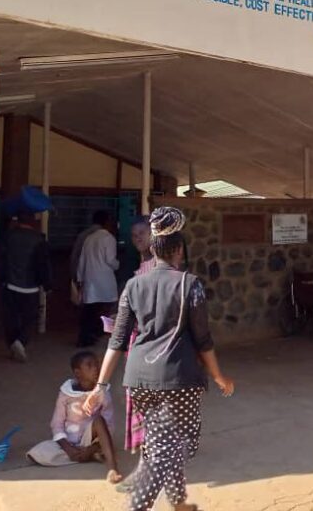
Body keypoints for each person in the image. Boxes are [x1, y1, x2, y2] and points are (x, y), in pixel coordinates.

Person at [85, 207, 234, 511]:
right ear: (179, 250)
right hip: (179, 381)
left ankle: (178, 502)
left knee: (161, 442)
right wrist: (219, 376)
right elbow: (203, 340)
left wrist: (101, 385)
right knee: (172, 448)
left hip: (138, 380)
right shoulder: (190, 285)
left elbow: (116, 340)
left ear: (153, 248)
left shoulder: (133, 285)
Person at [26, 351, 122, 484]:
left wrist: (91, 447)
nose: (96, 368)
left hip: (92, 439)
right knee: (36, 453)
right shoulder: (66, 393)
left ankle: (112, 468)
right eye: (89, 365)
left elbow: (109, 424)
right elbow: (57, 424)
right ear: (78, 373)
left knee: (99, 421)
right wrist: (68, 449)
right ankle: (86, 455)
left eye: (96, 365)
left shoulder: (102, 392)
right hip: (68, 442)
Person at [0, 210, 51, 362]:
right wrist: (47, 284)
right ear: (33, 222)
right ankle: (21, 341)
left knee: (10, 317)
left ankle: (12, 342)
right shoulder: (39, 240)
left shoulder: (8, 237)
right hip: (31, 287)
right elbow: (43, 265)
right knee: (28, 318)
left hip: (10, 284)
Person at [122, 218, 155, 456]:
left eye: (143, 233)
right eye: (134, 235)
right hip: (138, 337)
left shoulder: (158, 267)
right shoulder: (141, 263)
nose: (139, 238)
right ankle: (145, 440)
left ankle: (152, 441)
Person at [76, 212, 119, 347]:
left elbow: (82, 260)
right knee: (102, 309)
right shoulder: (109, 238)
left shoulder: (89, 238)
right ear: (107, 222)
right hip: (103, 280)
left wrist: (80, 278)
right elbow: (110, 260)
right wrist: (119, 264)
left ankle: (86, 336)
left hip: (90, 280)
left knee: (89, 310)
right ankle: (94, 334)